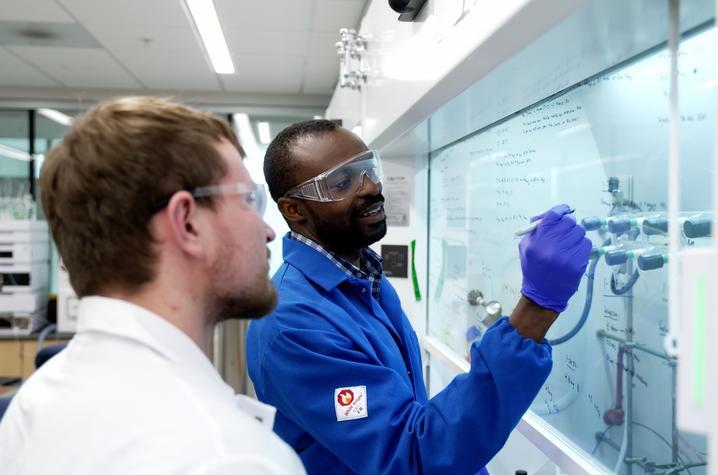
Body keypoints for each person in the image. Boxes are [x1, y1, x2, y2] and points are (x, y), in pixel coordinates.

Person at [247, 119, 592, 474]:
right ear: (293, 209)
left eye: (368, 169)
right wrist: (537, 309)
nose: (369, 187)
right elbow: (409, 455)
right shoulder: (293, 324)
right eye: (342, 182)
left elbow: (412, 417)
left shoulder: (366, 278)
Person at [0, 97, 305, 475]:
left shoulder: (34, 402)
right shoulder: (232, 457)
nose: (269, 230)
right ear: (188, 222)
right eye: (248, 200)